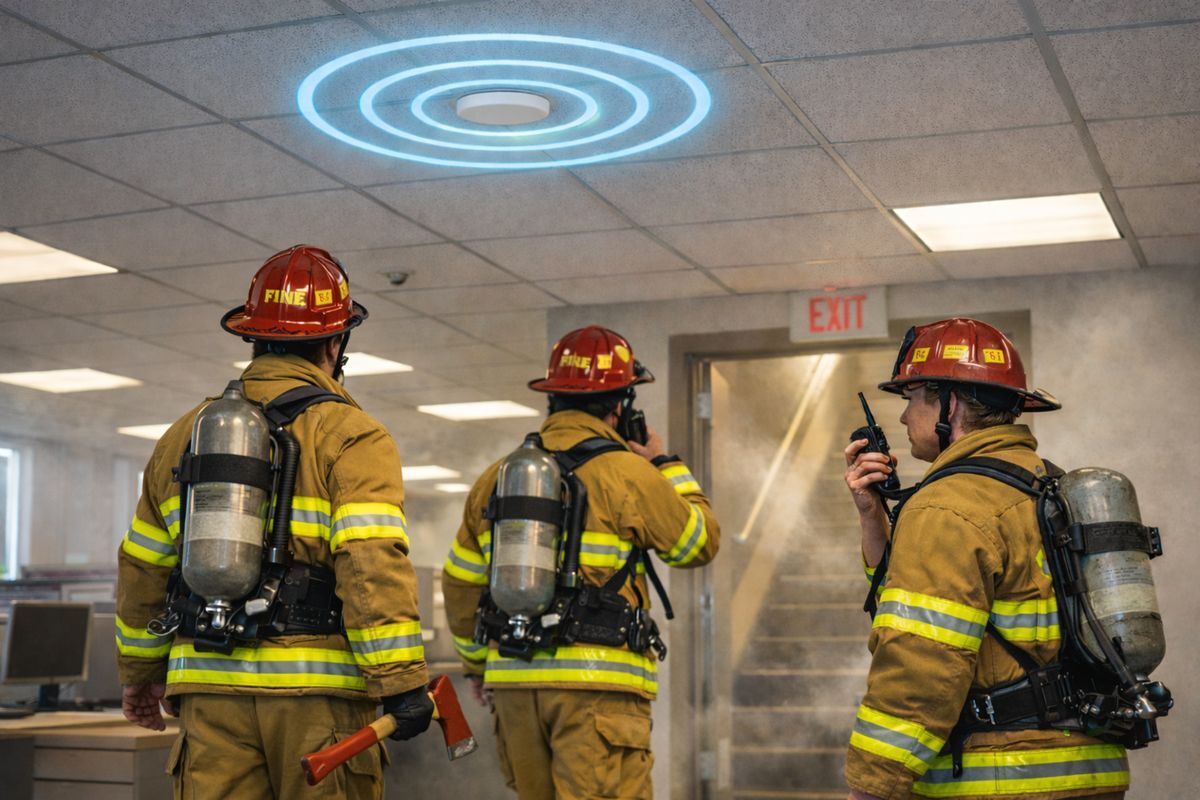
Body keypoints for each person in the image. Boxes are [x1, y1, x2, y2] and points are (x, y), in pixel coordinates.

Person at [115, 245, 433, 799]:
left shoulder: (181, 436)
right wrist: (402, 682)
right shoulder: (352, 435)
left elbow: (143, 565)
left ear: (254, 336)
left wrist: (140, 674)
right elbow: (371, 563)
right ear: (337, 343)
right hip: (317, 701)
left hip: (210, 692)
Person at [842, 317, 1130, 800]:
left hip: (1002, 777)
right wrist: (874, 517)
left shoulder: (946, 505)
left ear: (949, 404)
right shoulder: (1047, 486)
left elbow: (919, 660)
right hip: (1092, 771)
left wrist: (871, 785)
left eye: (912, 397)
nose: (902, 417)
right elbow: (910, 595)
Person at [441, 325, 720, 800]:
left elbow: (460, 583)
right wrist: (664, 462)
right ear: (620, 404)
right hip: (597, 692)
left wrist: (475, 667)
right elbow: (698, 543)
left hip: (513, 684)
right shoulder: (629, 474)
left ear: (554, 401)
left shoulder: (497, 478)